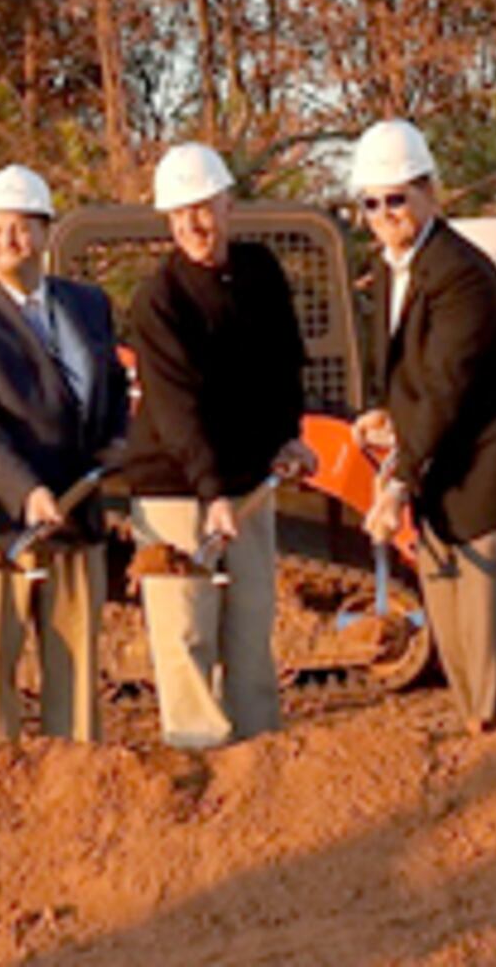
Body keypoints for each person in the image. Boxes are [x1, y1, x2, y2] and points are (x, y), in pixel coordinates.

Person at [353, 120, 496, 732]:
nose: (385, 213)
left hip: (489, 485)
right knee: (458, 654)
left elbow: (449, 385)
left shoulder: (461, 274)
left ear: (430, 192)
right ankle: (482, 751)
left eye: (398, 198)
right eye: (372, 202)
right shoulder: (395, 270)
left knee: (489, 656)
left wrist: (396, 485)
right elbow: (423, 380)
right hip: (443, 486)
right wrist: (390, 418)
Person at [0, 163, 130, 744]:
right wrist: (27, 492)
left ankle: (75, 796)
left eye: (19, 227)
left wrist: (116, 439)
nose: (6, 240)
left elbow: (112, 383)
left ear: (45, 232)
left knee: (77, 687)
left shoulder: (87, 305)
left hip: (74, 515)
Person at [121, 141, 313, 751]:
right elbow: (177, 410)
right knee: (186, 631)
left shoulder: (260, 273)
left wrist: (290, 435)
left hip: (247, 481)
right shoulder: (159, 299)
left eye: (203, 209)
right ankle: (198, 756)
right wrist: (210, 492)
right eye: (181, 217)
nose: (195, 226)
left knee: (251, 622)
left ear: (228, 205)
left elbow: (286, 364)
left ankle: (259, 755)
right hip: (177, 486)